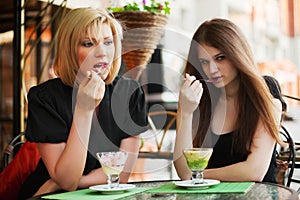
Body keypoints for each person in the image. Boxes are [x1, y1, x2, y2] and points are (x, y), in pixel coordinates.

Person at [18, 8, 148, 198]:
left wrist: (60, 183)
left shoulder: (130, 93)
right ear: (70, 50)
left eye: (108, 42)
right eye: (88, 43)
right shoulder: (44, 98)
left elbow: (122, 173)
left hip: (93, 193)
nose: (102, 53)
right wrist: (84, 109)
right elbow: (68, 179)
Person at [173, 18, 285, 183]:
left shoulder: (264, 90)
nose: (212, 70)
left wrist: (199, 176)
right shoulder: (198, 98)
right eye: (204, 62)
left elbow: (254, 172)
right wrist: (186, 112)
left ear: (237, 54)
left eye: (220, 58)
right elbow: (183, 171)